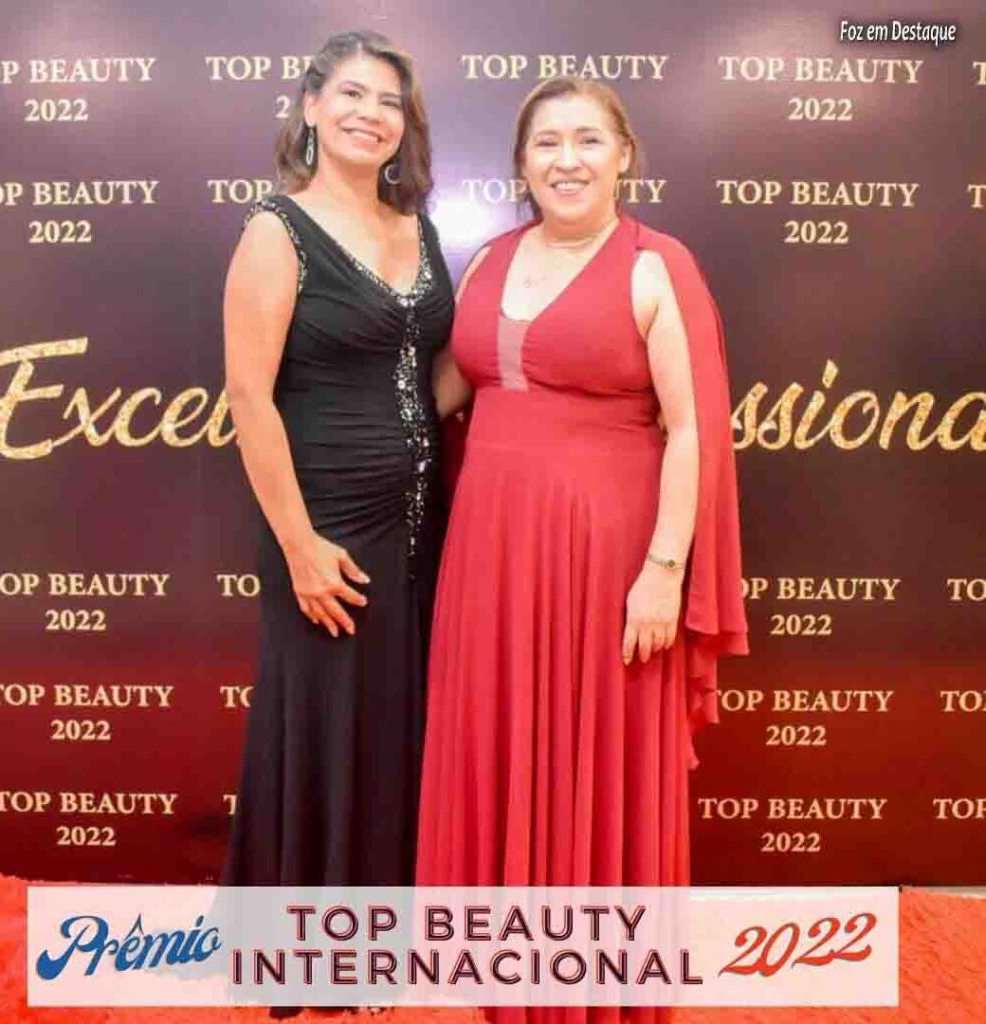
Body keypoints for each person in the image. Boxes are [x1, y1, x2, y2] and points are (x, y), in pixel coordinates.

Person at [417, 76, 749, 1024]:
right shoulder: (490, 260)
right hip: (490, 558)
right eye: (547, 143)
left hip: (608, 565)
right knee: (502, 748)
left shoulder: (657, 265)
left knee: (595, 766)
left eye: (588, 140)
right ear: (520, 164)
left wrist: (664, 571)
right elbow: (450, 390)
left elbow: (692, 431)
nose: (567, 160)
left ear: (624, 155)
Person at [220, 28, 453, 913]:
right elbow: (249, 396)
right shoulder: (276, 229)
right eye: (352, 94)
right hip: (323, 523)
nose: (372, 114)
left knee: (396, 721)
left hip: (422, 523)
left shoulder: (418, 227)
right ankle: (301, 938)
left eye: (391, 102)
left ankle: (387, 923)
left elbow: (431, 374)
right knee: (323, 725)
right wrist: (298, 547)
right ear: (312, 107)